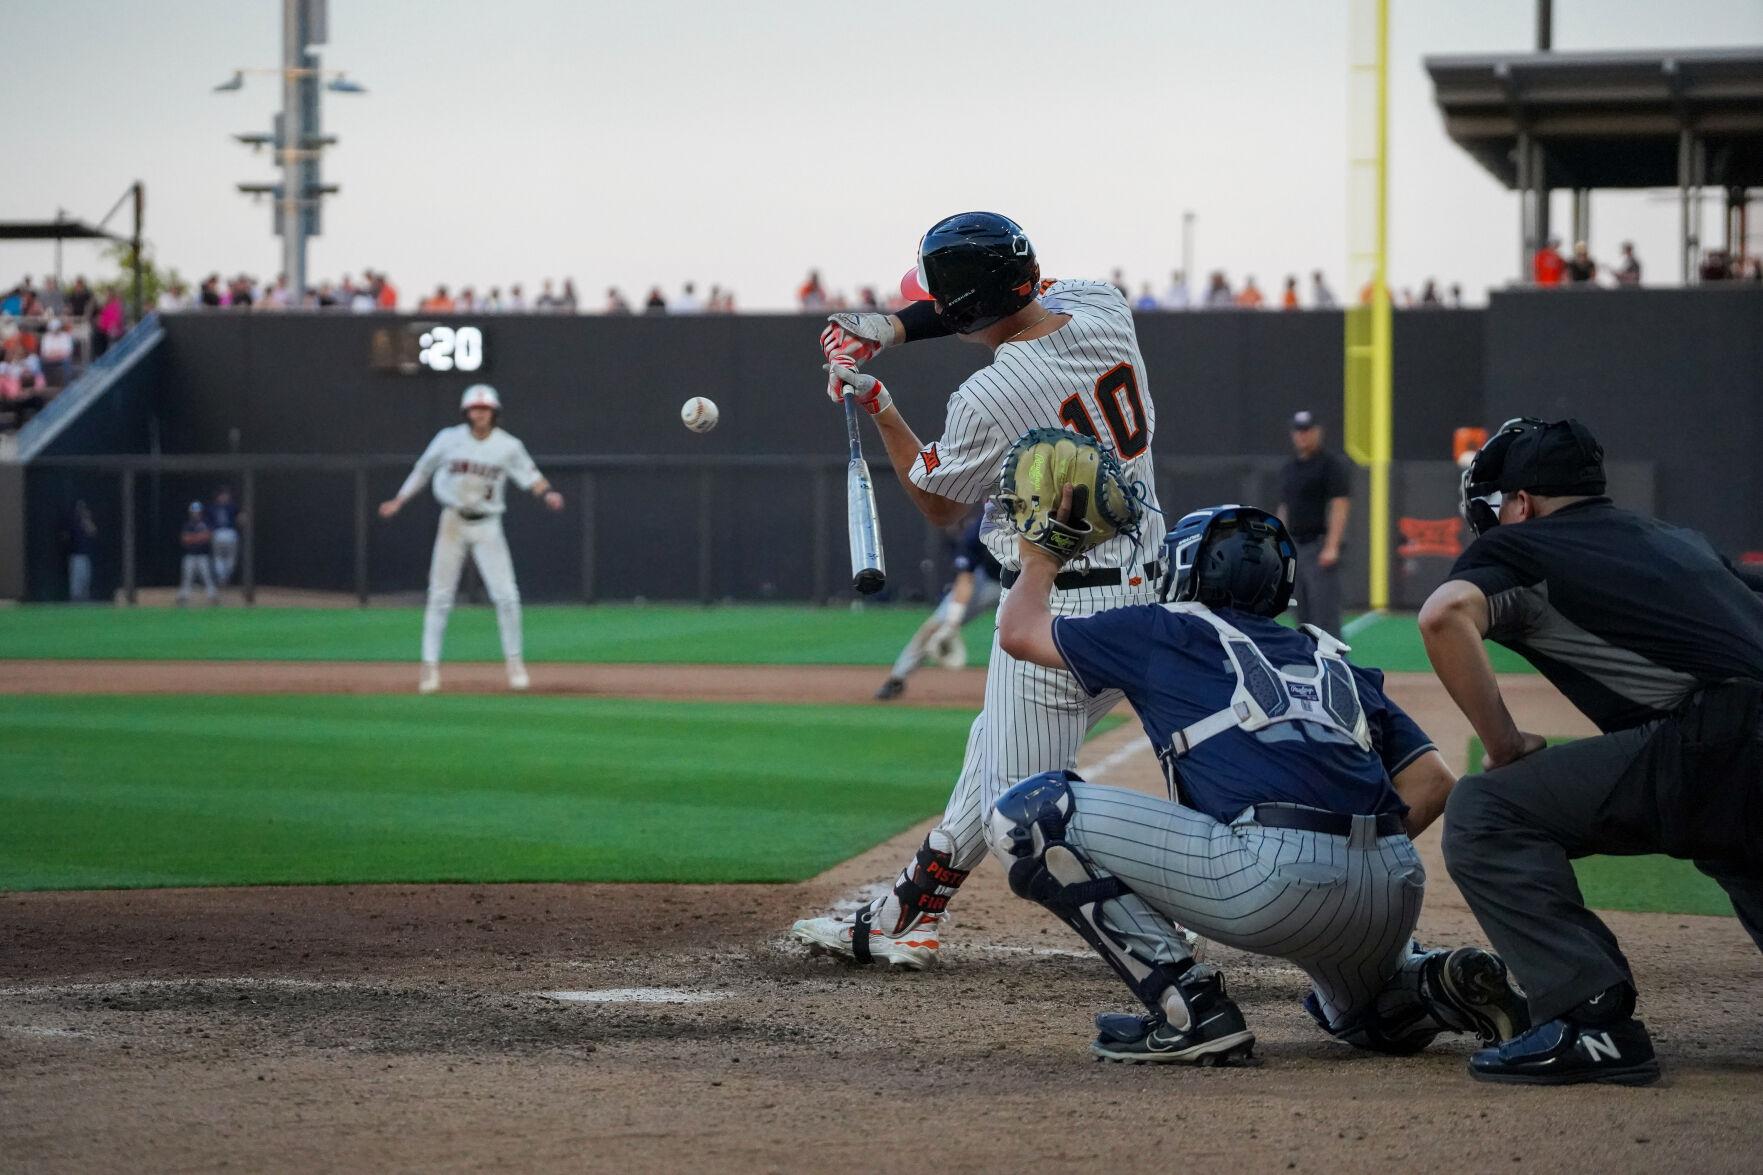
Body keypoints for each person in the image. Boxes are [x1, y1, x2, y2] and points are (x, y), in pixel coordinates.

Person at [984, 499, 1528, 1062]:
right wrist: (1345, 859)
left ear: (1185, 567)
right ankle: (1438, 983)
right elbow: (1433, 782)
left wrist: (1040, 558)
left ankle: (1190, 1011)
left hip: (1269, 880)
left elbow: (1020, 631)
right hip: (1392, 888)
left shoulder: (1163, 629)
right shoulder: (1329, 656)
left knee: (1031, 817)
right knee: (1363, 1018)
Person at [791, 210, 1165, 967]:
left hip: (1057, 606)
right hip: (1145, 578)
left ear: (967, 312)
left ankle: (1163, 936)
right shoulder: (1104, 306)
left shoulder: (992, 392)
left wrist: (880, 403)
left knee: (1019, 818)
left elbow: (935, 497)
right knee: (987, 753)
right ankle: (907, 912)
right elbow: (1008, 297)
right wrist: (889, 327)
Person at [1419, 417, 1763, 1086]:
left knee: (1484, 809)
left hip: (1713, 742)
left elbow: (1441, 615)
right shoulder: (1672, 538)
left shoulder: (1521, 545)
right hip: (1731, 749)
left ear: (1518, 503)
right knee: (1732, 835)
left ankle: (1591, 1020)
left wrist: (1506, 742)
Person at [378, 384, 565, 693]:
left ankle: (515, 663)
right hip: (452, 520)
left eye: (485, 409)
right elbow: (422, 470)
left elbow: (532, 476)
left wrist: (548, 494)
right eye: (475, 409)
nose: (479, 413)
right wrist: (399, 499)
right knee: (439, 596)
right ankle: (430, 667)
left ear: (494, 413)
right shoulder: (448, 439)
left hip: (488, 524)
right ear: (466, 412)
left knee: (506, 596)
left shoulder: (508, 446)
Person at [874, 508, 1004, 701]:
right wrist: (951, 623)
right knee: (934, 627)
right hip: (989, 581)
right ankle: (897, 678)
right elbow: (965, 579)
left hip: (1027, 582)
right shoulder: (979, 529)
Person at [1276, 410, 1350, 636]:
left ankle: (1337, 665)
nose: (1302, 436)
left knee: (1324, 613)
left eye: (1306, 430)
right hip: (1295, 547)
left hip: (1318, 545)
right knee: (1301, 612)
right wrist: (1279, 542)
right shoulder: (1290, 468)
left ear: (1318, 431)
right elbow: (1284, 507)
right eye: (1298, 431)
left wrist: (1332, 546)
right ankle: (1308, 663)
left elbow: (1339, 505)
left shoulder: (1329, 465)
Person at [176, 501, 219, 606]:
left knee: (207, 577)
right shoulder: (188, 524)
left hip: (203, 555)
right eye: (194, 512)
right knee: (187, 577)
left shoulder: (205, 523)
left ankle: (212, 596)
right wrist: (199, 537)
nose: (196, 513)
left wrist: (194, 537)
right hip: (190, 555)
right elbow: (185, 539)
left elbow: (208, 536)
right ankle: (184, 596)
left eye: (198, 512)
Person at [207, 486, 245, 588]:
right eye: (223, 495)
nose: (224, 497)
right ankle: (223, 578)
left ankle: (222, 579)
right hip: (223, 533)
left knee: (225, 558)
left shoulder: (218, 507)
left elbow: (241, 519)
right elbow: (241, 519)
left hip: (224, 533)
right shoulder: (230, 506)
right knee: (222, 558)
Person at [64, 499, 97, 602]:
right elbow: (65, 537)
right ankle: (75, 600)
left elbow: (93, 532)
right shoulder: (72, 523)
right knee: (76, 582)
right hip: (76, 556)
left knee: (85, 580)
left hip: (86, 556)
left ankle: (84, 600)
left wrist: (86, 519)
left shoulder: (86, 523)